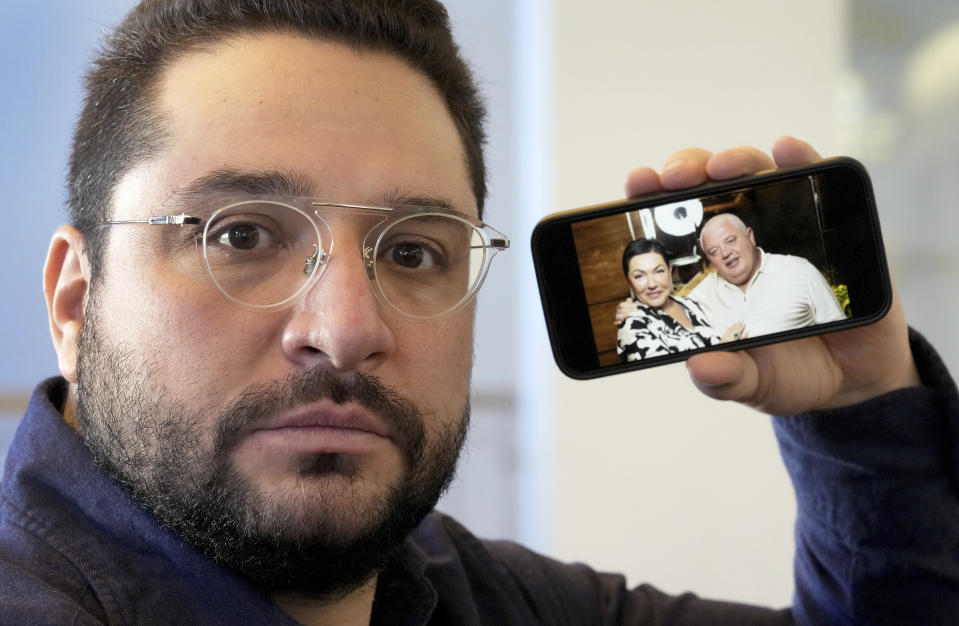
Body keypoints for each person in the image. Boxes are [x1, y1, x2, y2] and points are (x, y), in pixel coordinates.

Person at [0, 1, 956, 624]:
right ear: (76, 301)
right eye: (242, 236)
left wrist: (861, 412)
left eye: (413, 251)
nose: (343, 329)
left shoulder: (466, 592)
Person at [614, 213, 847, 338]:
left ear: (750, 237)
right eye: (714, 251)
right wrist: (634, 308)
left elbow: (841, 333)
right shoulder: (700, 296)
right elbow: (665, 306)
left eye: (731, 240)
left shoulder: (799, 270)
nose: (725, 253)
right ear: (708, 259)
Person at [616, 238, 745, 361]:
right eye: (639, 276)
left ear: (670, 271)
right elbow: (663, 381)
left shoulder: (688, 304)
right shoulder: (633, 326)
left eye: (659, 271)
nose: (652, 284)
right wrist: (723, 351)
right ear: (629, 282)